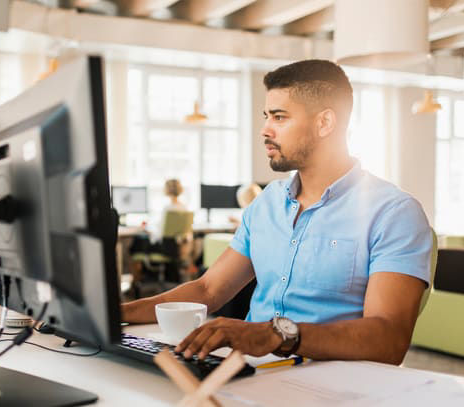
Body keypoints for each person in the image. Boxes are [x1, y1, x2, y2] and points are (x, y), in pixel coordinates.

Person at [121, 59, 433, 366]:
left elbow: (389, 339)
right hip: (249, 371)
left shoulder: (393, 213)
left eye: (280, 117)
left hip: (333, 383)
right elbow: (207, 289)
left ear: (325, 123)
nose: (265, 130)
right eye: (266, 116)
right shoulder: (267, 203)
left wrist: (275, 335)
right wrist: (114, 313)